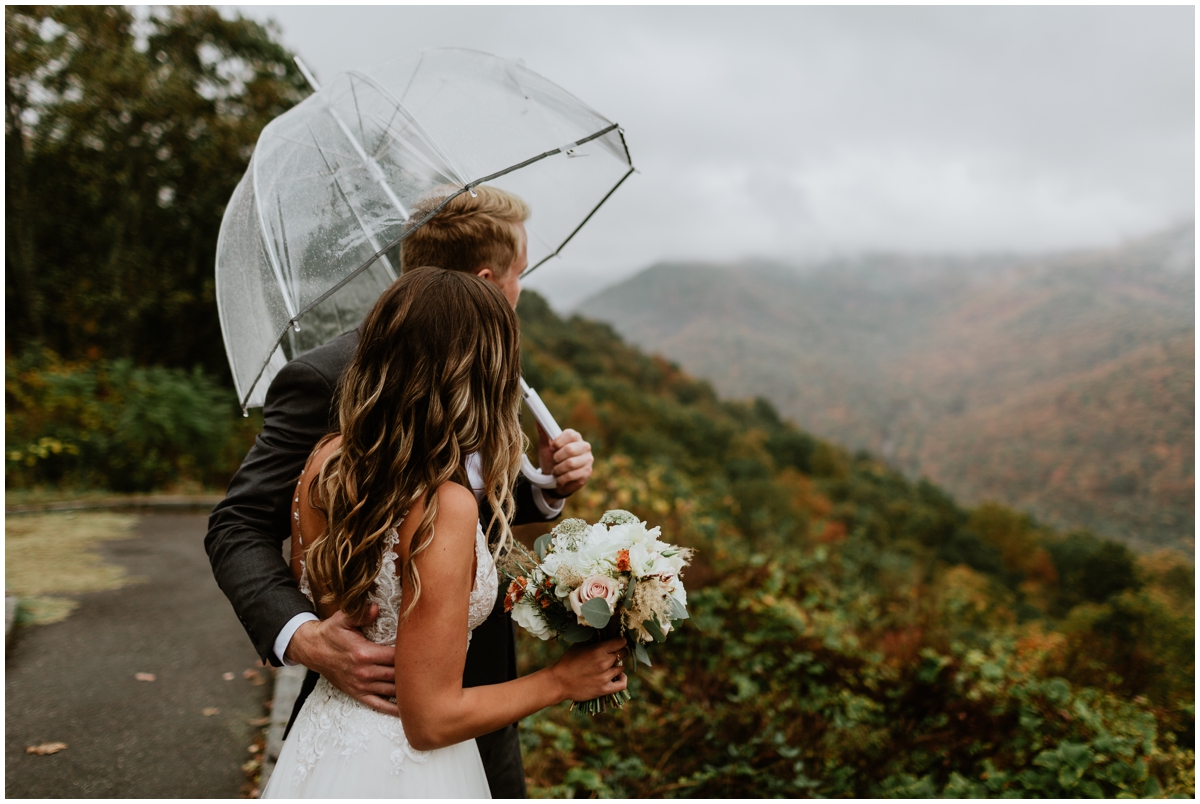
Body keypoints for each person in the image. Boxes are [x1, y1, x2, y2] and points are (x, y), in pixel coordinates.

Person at [205, 186, 594, 796]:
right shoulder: (321, 379)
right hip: (375, 707)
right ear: (489, 280)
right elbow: (238, 525)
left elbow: (441, 513)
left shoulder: (478, 372)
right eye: (521, 274)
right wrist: (305, 636)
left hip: (483, 695)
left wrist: (545, 487)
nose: (522, 292)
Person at [261, 267, 627, 797]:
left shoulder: (326, 461)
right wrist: (561, 681)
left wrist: (543, 483)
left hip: (324, 741)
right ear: (478, 378)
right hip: (403, 769)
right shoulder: (442, 506)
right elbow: (430, 720)